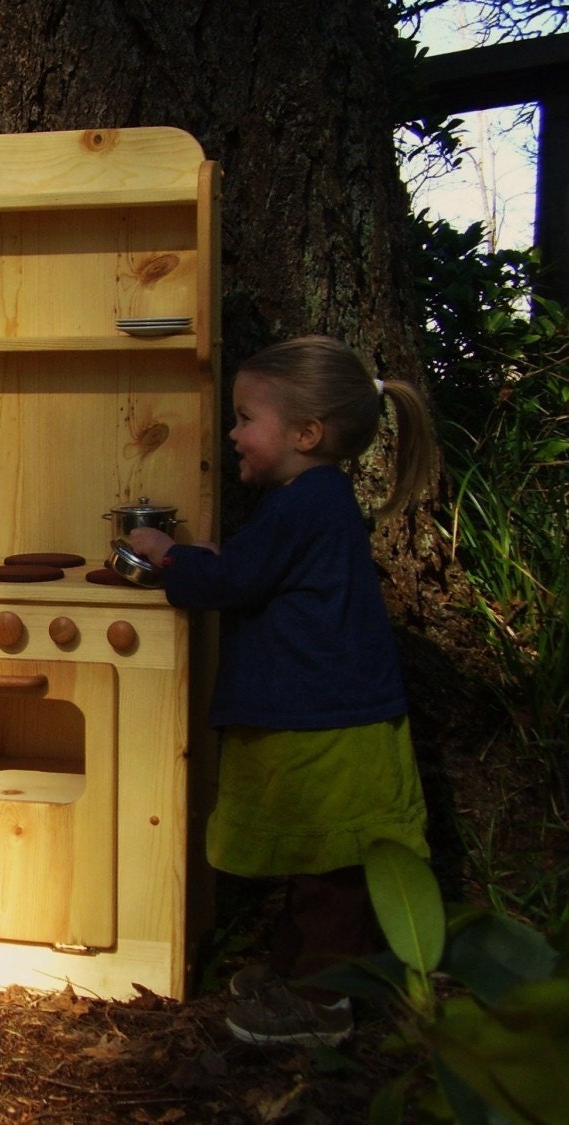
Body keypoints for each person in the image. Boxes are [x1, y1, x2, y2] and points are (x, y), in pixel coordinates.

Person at [126, 335, 434, 1047]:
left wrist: (164, 552)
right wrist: (210, 558)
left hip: (327, 722)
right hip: (321, 713)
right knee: (311, 853)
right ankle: (299, 974)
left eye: (244, 418)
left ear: (306, 433)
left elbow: (231, 583)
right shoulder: (312, 499)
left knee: (329, 868)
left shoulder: (307, 503)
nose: (232, 433)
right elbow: (258, 571)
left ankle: (324, 1003)